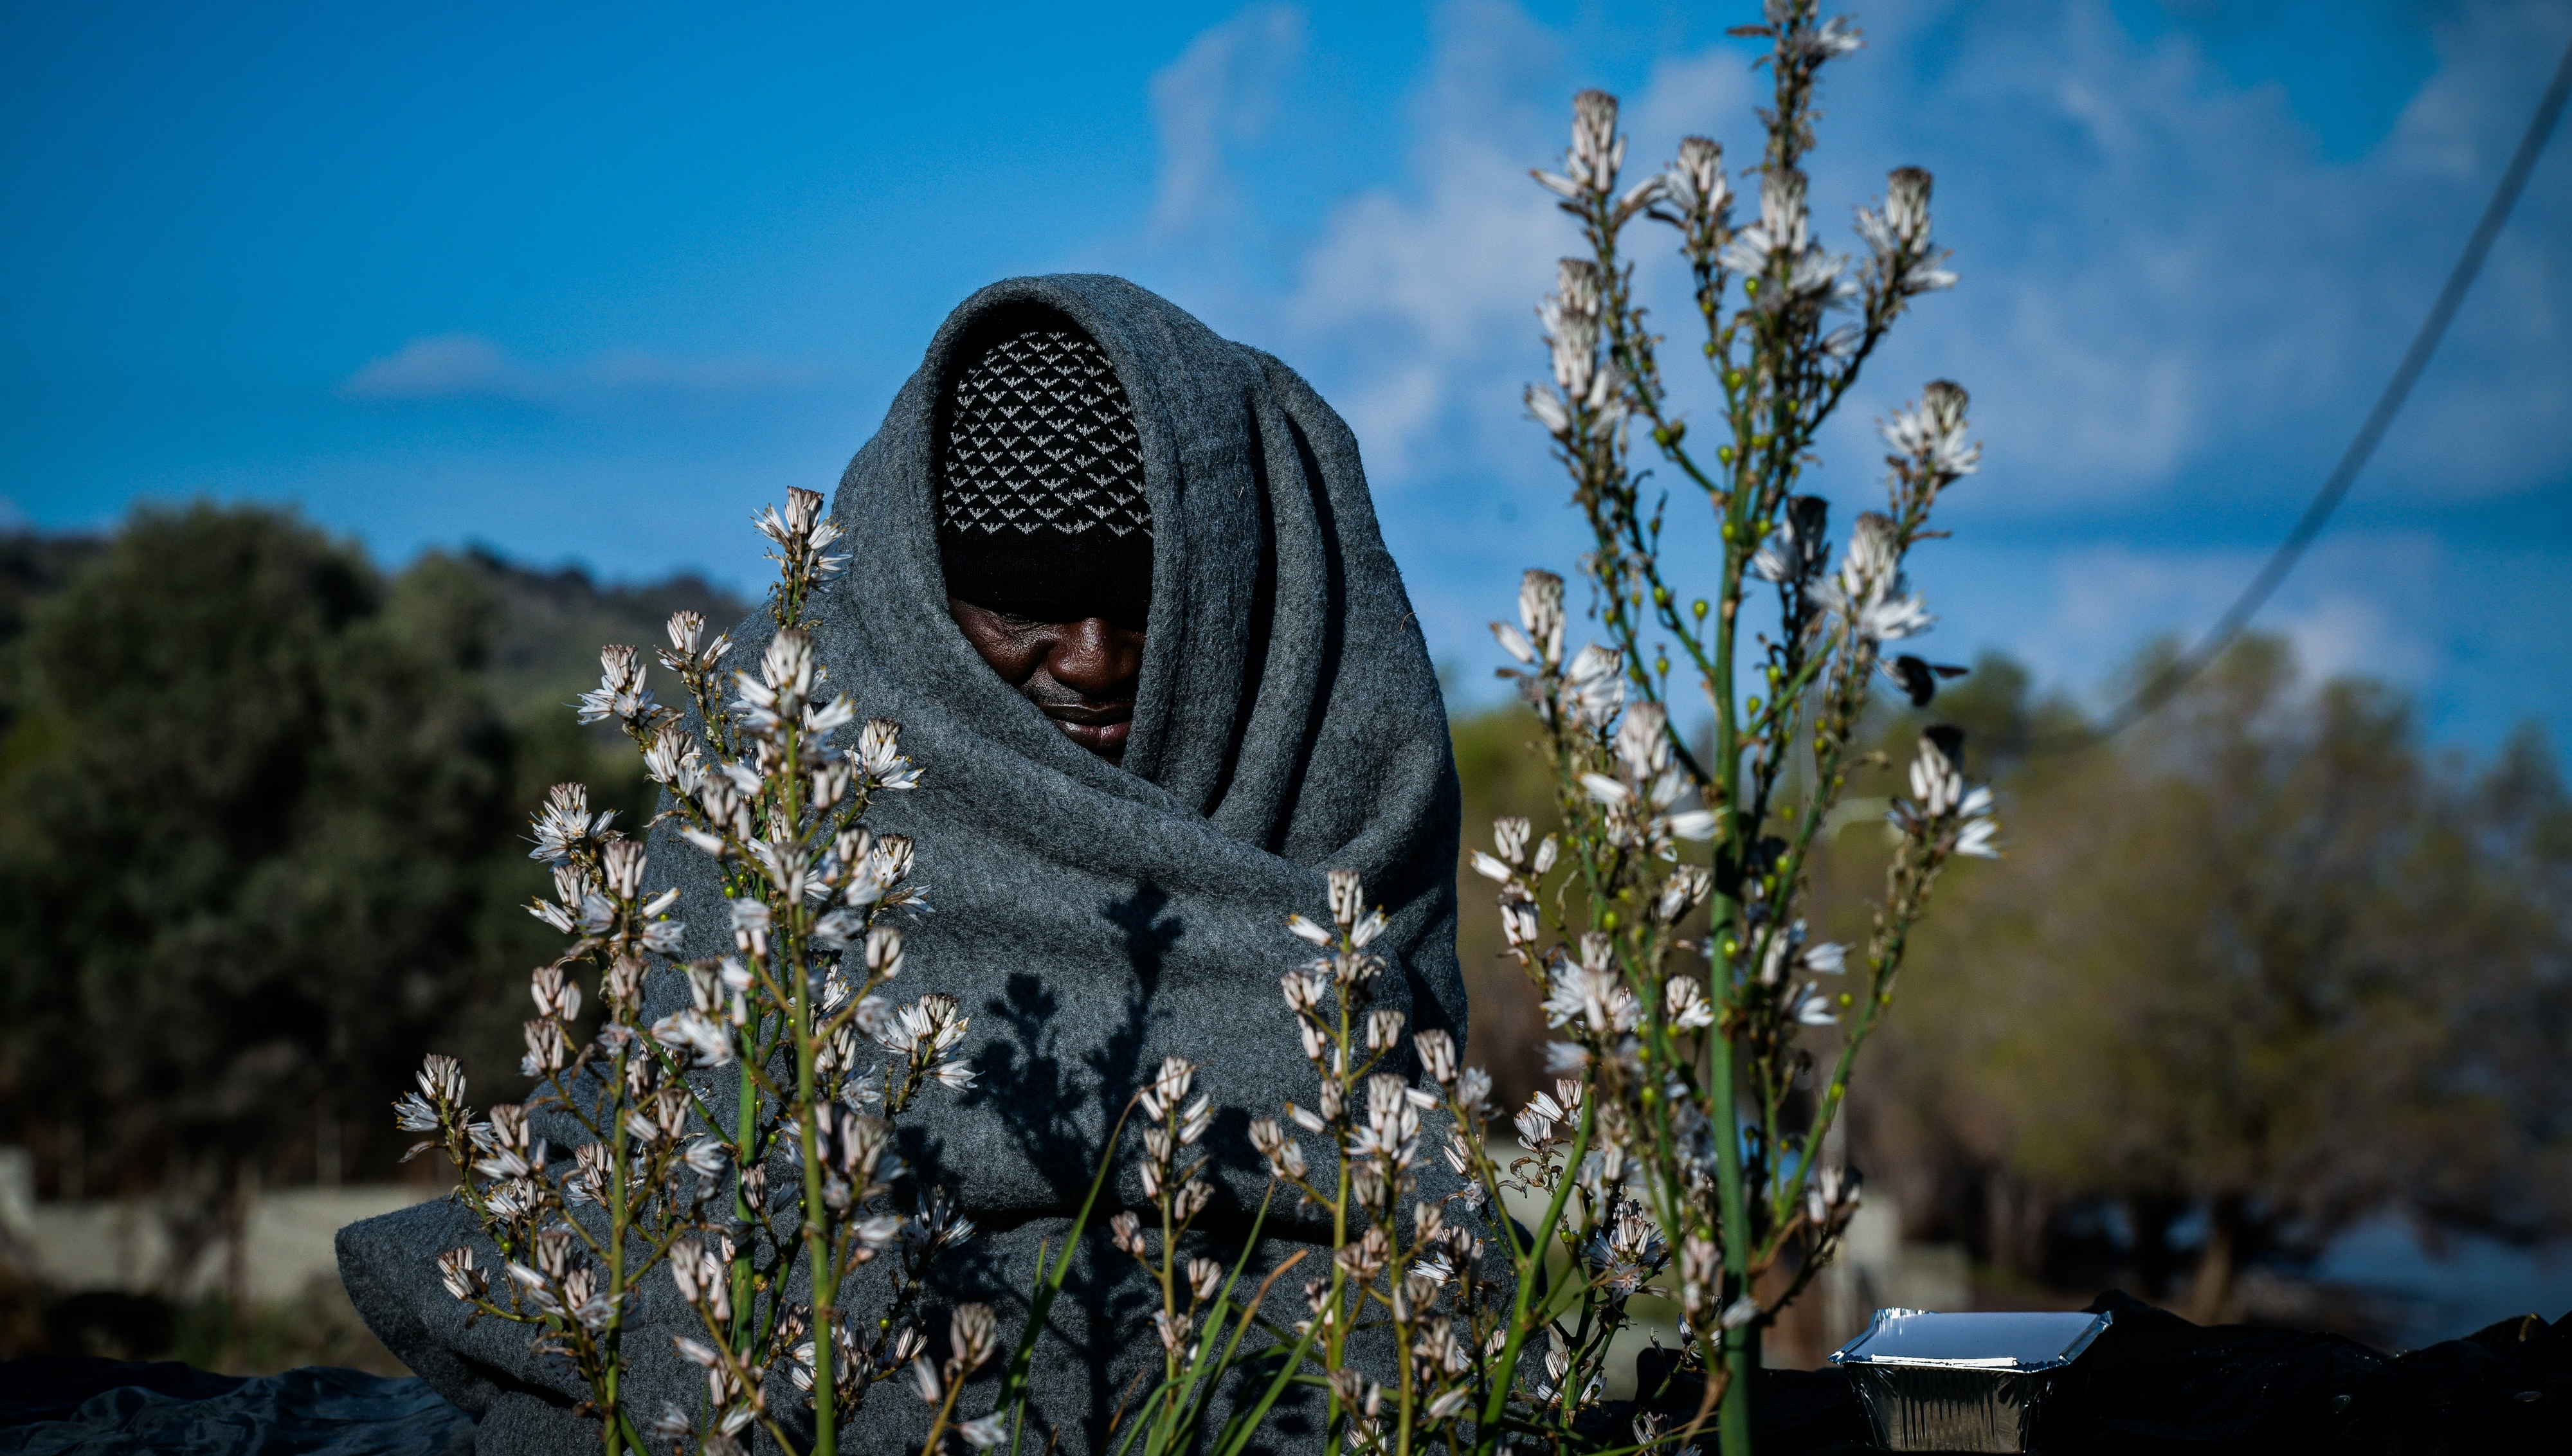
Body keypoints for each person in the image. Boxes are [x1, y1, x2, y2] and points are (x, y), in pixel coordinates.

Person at [338, 274, 1468, 1454]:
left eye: (1141, 609)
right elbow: (687, 1188)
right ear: (927, 605)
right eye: (1023, 611)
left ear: (1236, 590)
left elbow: (1412, 1206)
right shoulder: (797, 750)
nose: (1088, 662)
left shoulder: (1338, 730)